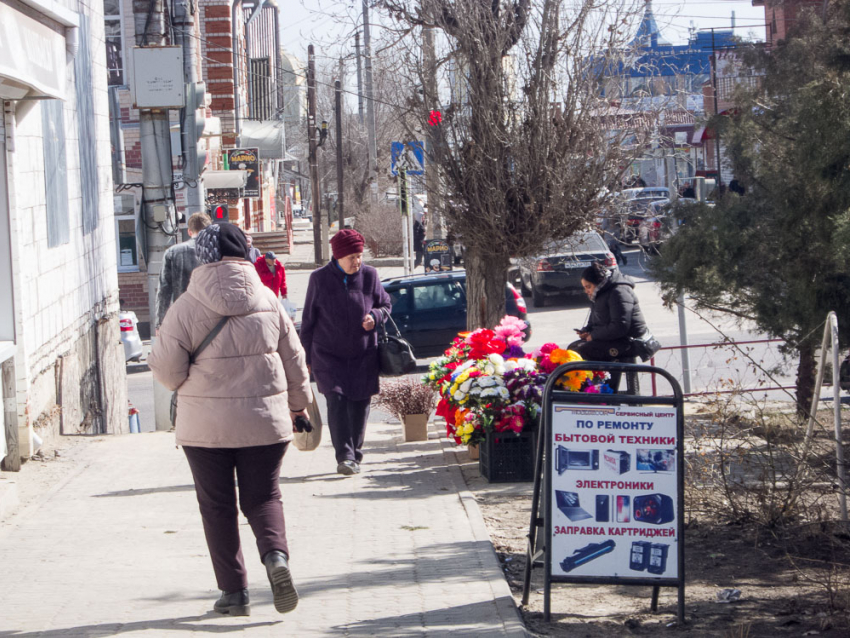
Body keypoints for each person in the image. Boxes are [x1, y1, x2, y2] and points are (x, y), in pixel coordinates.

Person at [148, 223, 312, 617]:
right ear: (245, 253)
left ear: (202, 256)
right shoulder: (269, 300)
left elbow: (168, 374)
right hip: (265, 423)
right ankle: (275, 557)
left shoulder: (185, 307)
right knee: (264, 496)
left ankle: (234, 594)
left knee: (217, 505)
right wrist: (299, 405)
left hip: (206, 429)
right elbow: (295, 360)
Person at [299, 229, 391, 476]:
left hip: (363, 355)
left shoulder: (370, 276)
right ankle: (345, 457)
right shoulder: (319, 279)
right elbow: (308, 322)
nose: (356, 261)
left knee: (360, 405)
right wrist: (306, 358)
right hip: (328, 356)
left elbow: (385, 304)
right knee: (337, 401)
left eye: (359, 255)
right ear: (337, 257)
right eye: (350, 256)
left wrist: (375, 316)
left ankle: (355, 455)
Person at [574, 262, 648, 363]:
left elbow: (620, 326)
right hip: (611, 339)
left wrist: (593, 336)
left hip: (629, 342)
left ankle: (602, 378)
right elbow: (594, 321)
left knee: (582, 351)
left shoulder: (618, 292)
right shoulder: (600, 294)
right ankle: (599, 378)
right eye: (585, 287)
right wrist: (587, 331)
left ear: (599, 283)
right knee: (573, 348)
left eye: (588, 286)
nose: (586, 291)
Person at [154, 212, 211, 332]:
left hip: (183, 318)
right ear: (209, 230)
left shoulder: (173, 252)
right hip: (212, 318)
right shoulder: (217, 251)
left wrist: (160, 323)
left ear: (189, 232)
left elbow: (164, 291)